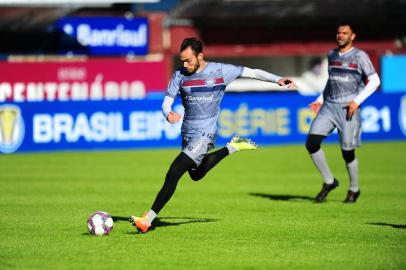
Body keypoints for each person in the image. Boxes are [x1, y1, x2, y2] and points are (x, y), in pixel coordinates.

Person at [130, 37, 296, 233]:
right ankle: (233, 146)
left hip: (206, 133)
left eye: (188, 60)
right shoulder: (179, 76)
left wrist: (277, 79)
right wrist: (168, 113)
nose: (185, 64)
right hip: (188, 132)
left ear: (200, 56)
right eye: (182, 60)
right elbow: (166, 102)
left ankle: (147, 220)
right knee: (196, 174)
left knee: (174, 171)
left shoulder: (220, 71)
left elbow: (252, 72)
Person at [305, 23, 380, 203]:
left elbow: (375, 80)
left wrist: (356, 101)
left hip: (348, 109)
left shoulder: (360, 56)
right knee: (312, 143)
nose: (340, 36)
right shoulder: (331, 54)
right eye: (338, 33)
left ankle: (354, 189)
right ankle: (329, 181)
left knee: (347, 152)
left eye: (345, 33)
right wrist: (320, 100)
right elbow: (332, 82)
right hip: (329, 107)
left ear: (352, 36)